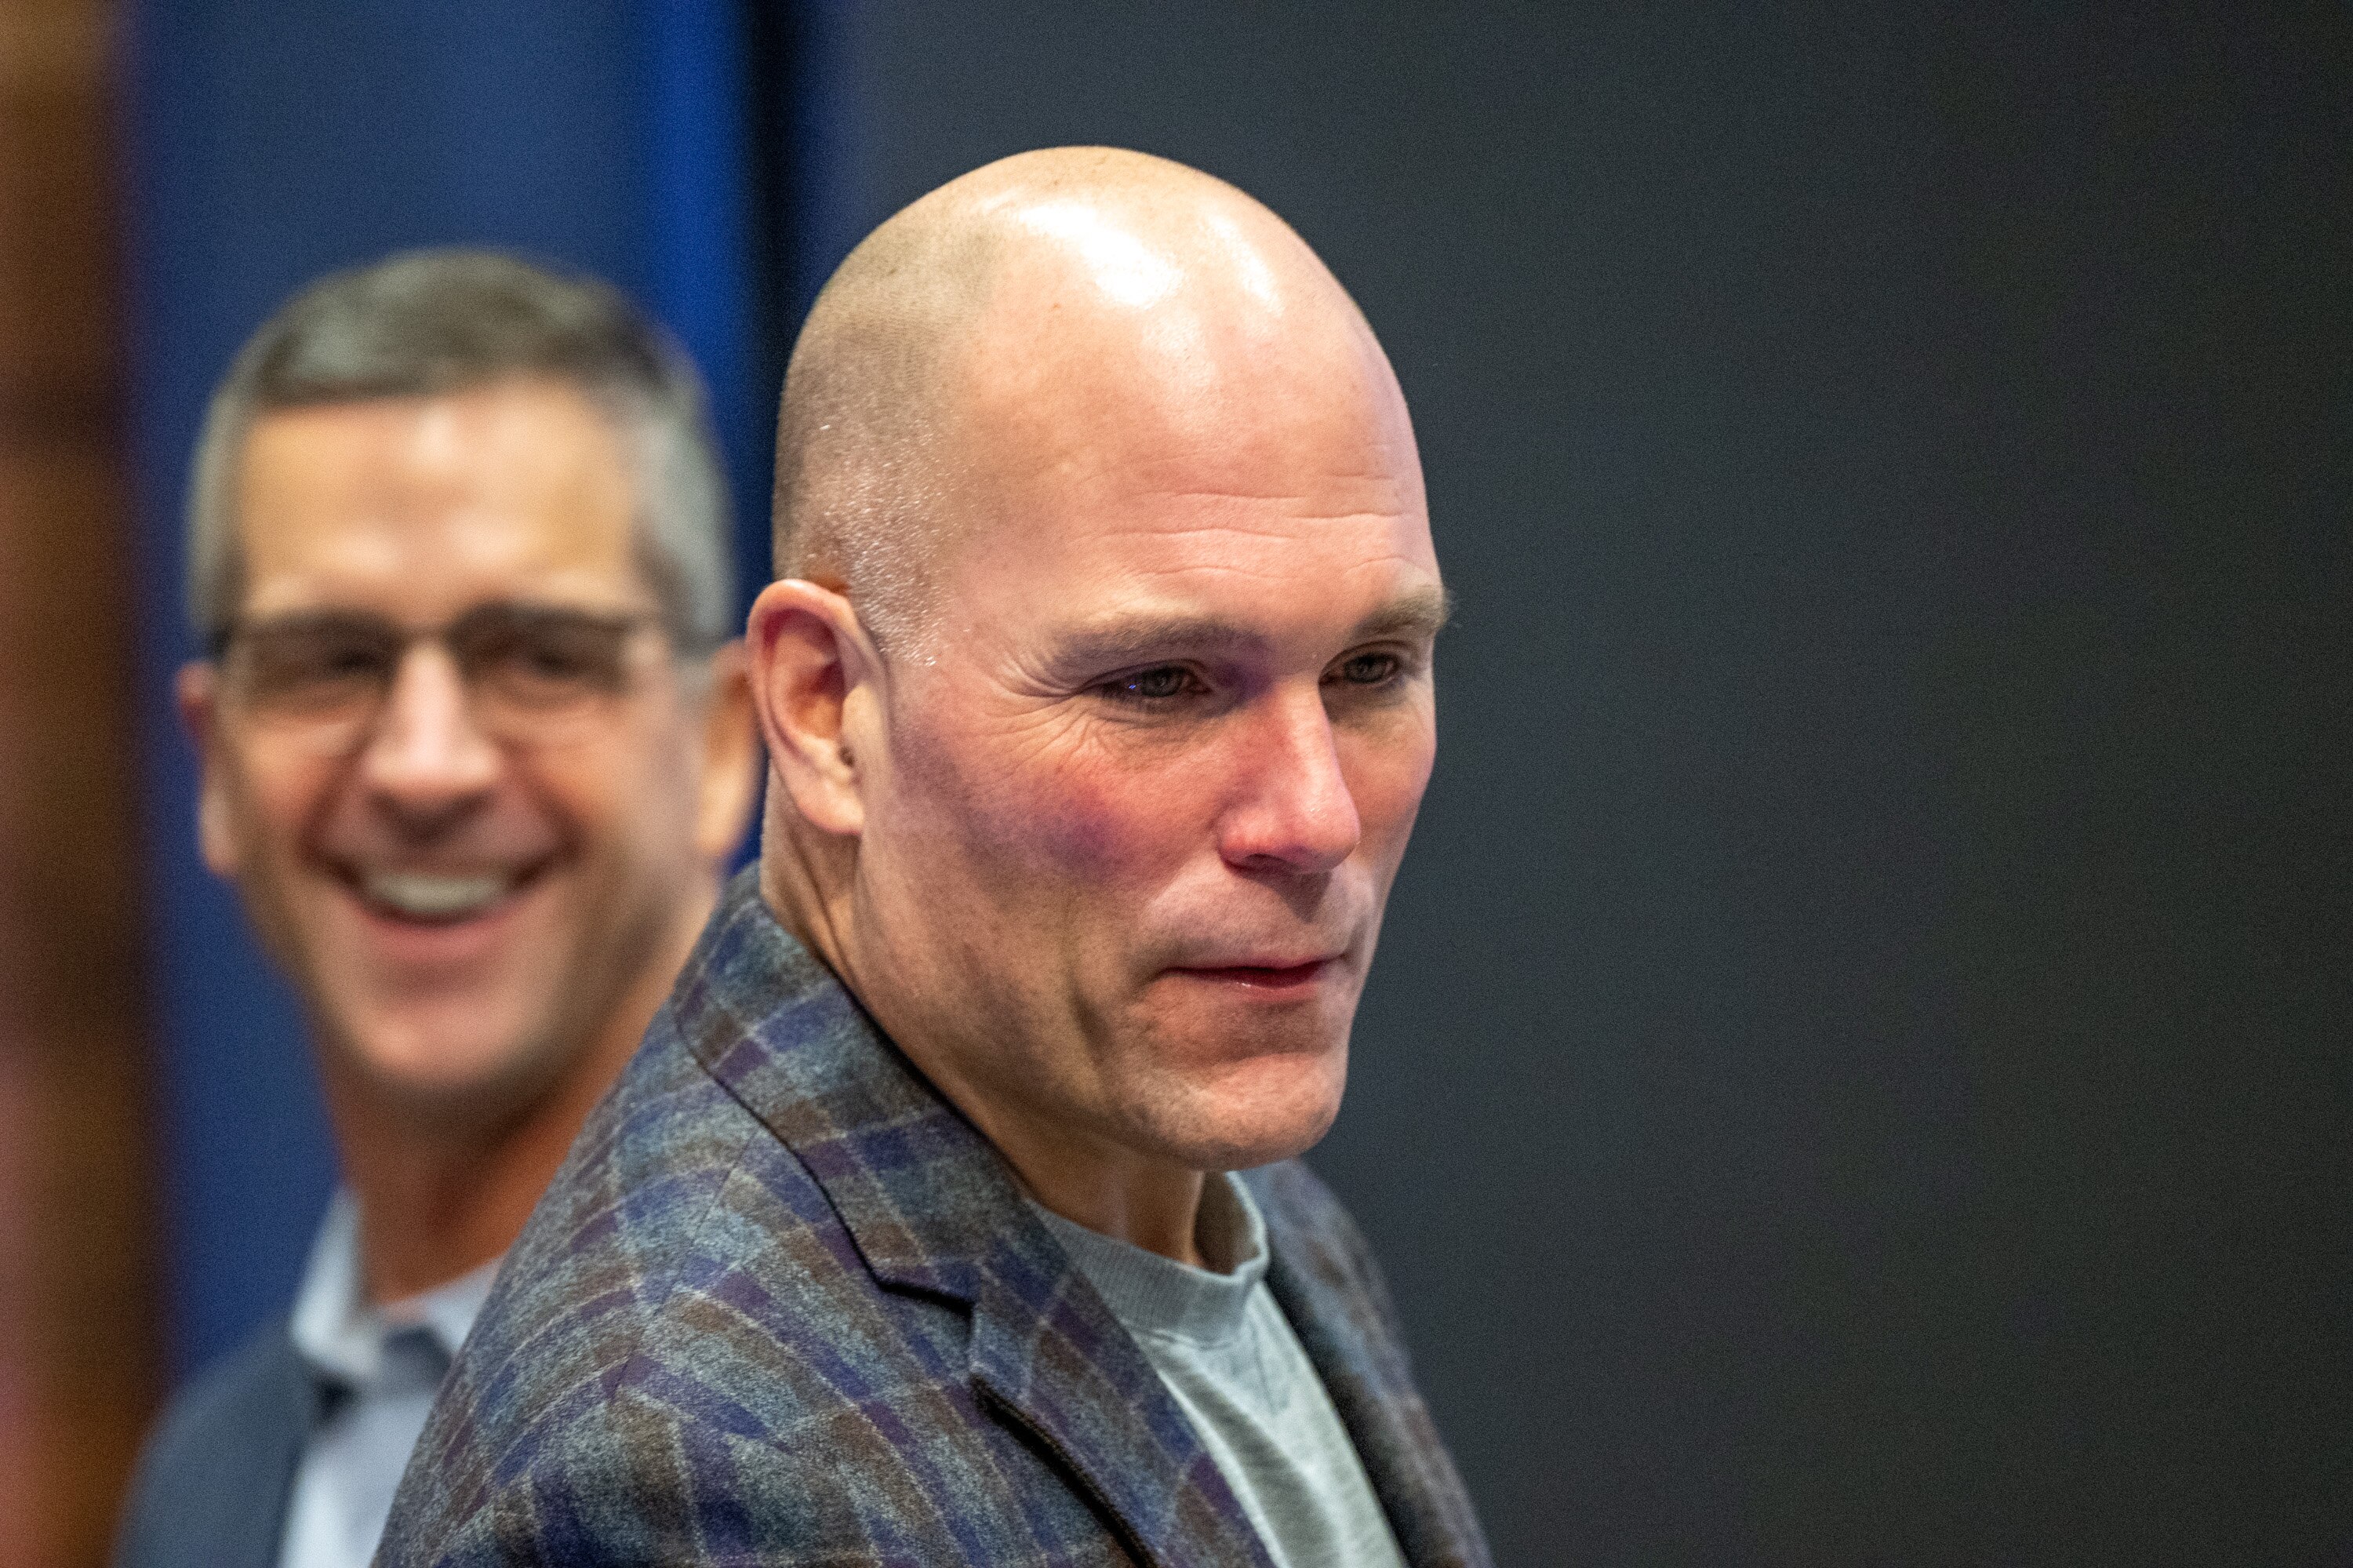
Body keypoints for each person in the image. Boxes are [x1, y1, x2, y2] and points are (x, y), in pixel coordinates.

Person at [381, 148, 1492, 1567]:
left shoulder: (1200, 1178)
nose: (1315, 816)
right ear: (825, 707)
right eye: (1161, 684)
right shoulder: (690, 1478)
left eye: (1371, 666)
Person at [113, 251, 759, 1568]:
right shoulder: (205, 1482)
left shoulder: (886, 1414)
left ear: (723, 747)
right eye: (328, 662)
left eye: (537, 658)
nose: (424, 764)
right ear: (215, 765)